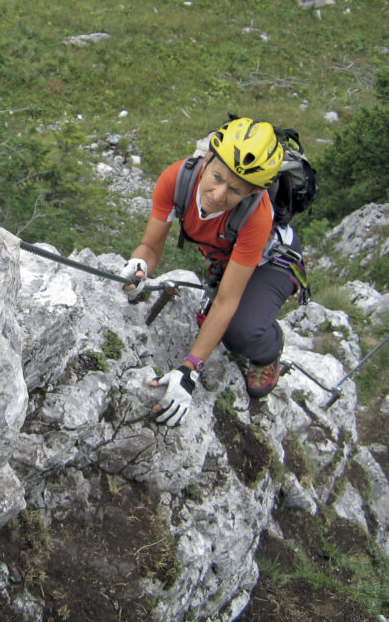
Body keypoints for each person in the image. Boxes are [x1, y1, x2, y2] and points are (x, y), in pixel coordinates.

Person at [119, 116, 302, 427]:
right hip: (230, 257)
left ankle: (267, 348)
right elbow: (150, 246)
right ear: (207, 158)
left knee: (240, 332)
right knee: (210, 322)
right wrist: (139, 266)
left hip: (274, 262)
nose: (218, 196)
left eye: (235, 190)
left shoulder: (255, 216)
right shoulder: (177, 180)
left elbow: (226, 302)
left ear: (252, 193)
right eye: (217, 177)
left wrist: (190, 369)